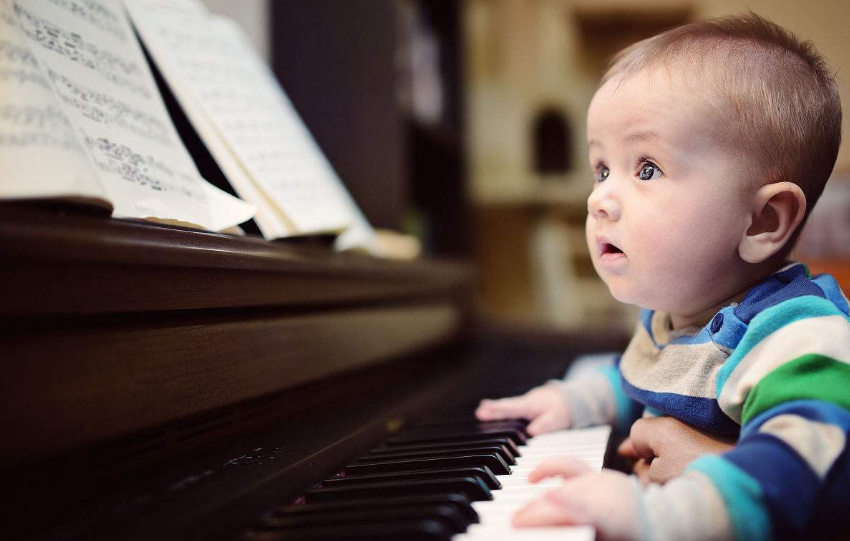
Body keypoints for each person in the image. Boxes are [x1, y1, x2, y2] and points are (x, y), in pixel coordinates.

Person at [476, 12, 850, 541]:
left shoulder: (798, 341)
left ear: (763, 220)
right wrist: (576, 400)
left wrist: (656, 516)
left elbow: (793, 474)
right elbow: (650, 378)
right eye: (602, 169)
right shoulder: (681, 317)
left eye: (646, 168)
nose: (598, 198)